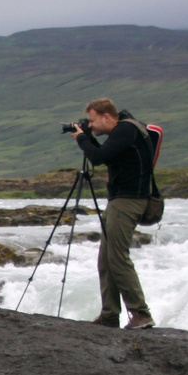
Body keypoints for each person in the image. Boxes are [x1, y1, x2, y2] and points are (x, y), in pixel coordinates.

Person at [70, 99, 156, 329]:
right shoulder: (125, 132)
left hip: (128, 201)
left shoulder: (126, 130)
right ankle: (109, 316)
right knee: (106, 260)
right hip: (120, 199)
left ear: (107, 117)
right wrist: (88, 138)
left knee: (117, 257)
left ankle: (140, 313)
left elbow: (97, 158)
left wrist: (81, 139)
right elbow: (105, 154)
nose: (90, 125)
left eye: (92, 120)